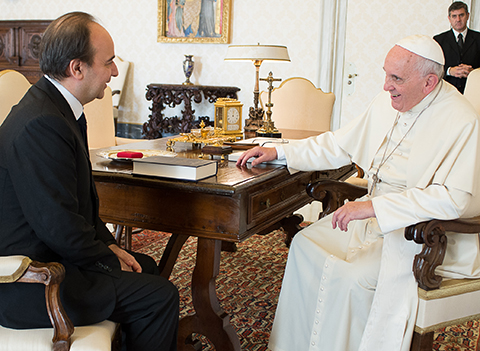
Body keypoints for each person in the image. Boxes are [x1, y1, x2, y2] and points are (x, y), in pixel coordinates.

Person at [237, 34, 480, 351]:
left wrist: (375, 209)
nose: (385, 86)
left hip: (424, 233)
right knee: (304, 245)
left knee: (353, 277)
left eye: (396, 78)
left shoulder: (462, 120)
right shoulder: (388, 102)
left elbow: (454, 199)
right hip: (374, 215)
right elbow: (338, 144)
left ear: (429, 82)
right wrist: (279, 152)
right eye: (386, 74)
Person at [0, 12, 179, 351]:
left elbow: (79, 207)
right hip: (33, 281)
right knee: (160, 296)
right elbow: (60, 226)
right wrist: (108, 258)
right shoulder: (42, 123)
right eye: (109, 62)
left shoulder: (55, 108)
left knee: (146, 266)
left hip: (52, 257)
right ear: (77, 68)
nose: (114, 71)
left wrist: (109, 247)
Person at [434, 1, 480, 93]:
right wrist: (449, 71)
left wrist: (474, 72)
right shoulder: (439, 40)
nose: (458, 19)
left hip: (474, 91)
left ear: (467, 16)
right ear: (449, 18)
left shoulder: (478, 38)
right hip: (447, 92)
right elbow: (433, 67)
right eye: (454, 16)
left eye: (461, 15)